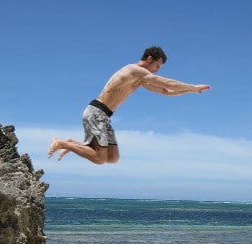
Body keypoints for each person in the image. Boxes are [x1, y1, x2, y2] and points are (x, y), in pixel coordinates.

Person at [48, 46, 210, 164]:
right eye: (157, 66)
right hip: (96, 112)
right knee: (99, 158)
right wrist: (192, 86)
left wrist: (191, 92)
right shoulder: (134, 70)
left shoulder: (140, 79)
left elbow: (166, 91)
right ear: (149, 59)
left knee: (112, 158)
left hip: (103, 116)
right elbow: (168, 83)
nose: (157, 70)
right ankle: (61, 143)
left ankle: (71, 142)